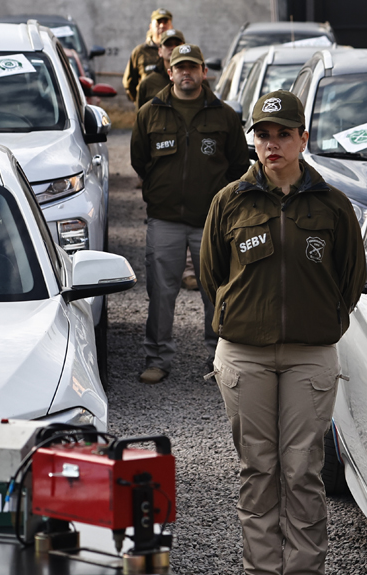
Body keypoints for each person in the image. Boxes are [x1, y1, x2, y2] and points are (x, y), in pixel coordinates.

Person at [200, 89, 366, 575]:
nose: (273, 144)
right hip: (244, 356)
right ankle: (261, 568)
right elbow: (213, 276)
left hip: (310, 356)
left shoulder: (333, 206)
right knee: (258, 469)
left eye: (284, 135)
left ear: (302, 139)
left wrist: (316, 316)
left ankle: (304, 569)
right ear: (253, 140)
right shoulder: (229, 202)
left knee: (302, 470)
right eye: (264, 135)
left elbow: (350, 279)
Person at [130, 44, 245, 384]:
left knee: (217, 291)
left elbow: (238, 165)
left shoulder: (223, 115)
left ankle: (219, 359)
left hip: (211, 221)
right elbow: (140, 161)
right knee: (161, 292)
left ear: (203, 72)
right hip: (164, 218)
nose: (186, 73)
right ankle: (158, 358)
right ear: (170, 71)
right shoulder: (150, 112)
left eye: (192, 67)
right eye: (180, 67)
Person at [123, 8, 173, 103]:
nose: (162, 26)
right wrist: (140, 102)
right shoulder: (139, 52)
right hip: (149, 108)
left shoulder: (179, 49)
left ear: (171, 26)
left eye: (165, 22)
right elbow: (129, 83)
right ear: (150, 26)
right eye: (158, 22)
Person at [135, 29, 184, 109]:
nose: (173, 48)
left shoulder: (196, 81)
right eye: (168, 44)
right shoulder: (148, 83)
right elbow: (141, 118)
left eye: (177, 44)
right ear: (160, 51)